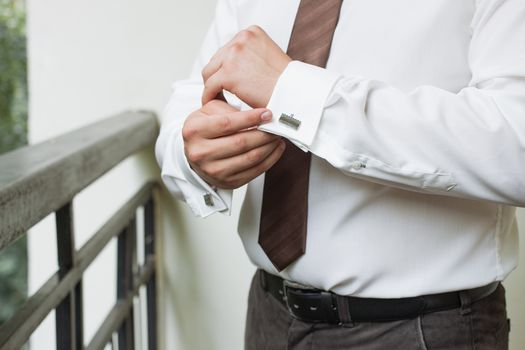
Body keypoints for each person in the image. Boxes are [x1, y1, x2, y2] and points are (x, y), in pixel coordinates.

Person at [155, 0, 525, 348]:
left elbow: (517, 141)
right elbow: (196, 92)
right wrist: (189, 149)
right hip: (269, 315)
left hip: (419, 331)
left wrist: (298, 94)